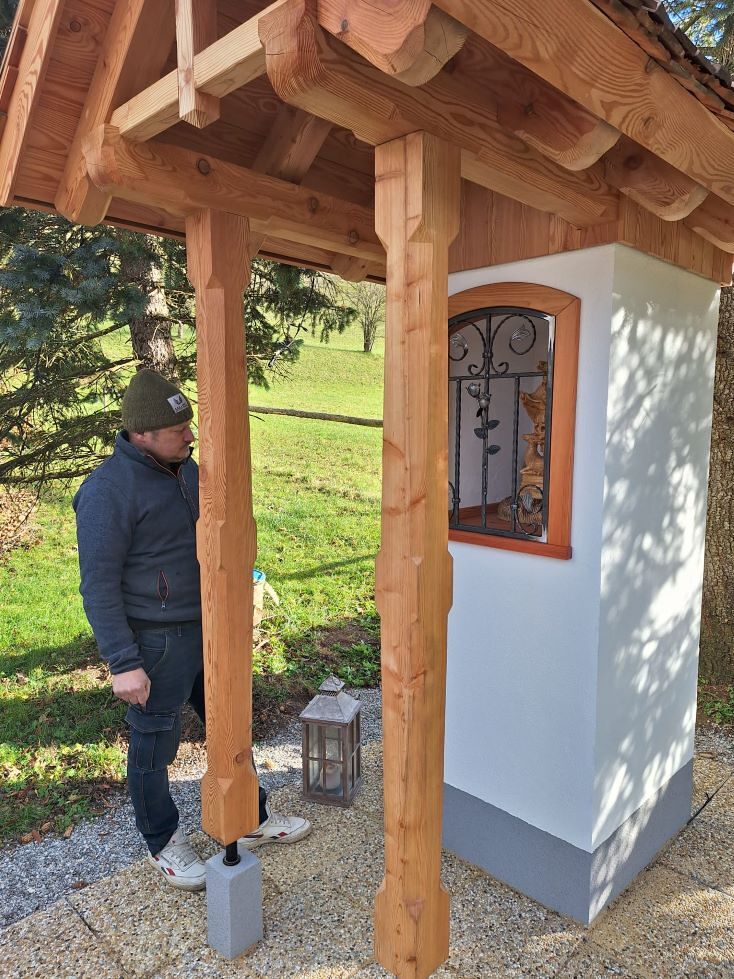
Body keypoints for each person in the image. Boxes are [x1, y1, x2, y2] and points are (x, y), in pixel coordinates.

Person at [73, 369, 310, 891]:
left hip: (212, 626)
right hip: (157, 643)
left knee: (231, 725)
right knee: (155, 743)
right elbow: (98, 586)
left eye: (188, 424)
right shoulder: (107, 492)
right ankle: (162, 841)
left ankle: (250, 817)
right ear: (141, 434)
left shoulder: (186, 469)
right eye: (177, 429)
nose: (190, 435)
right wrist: (123, 663)